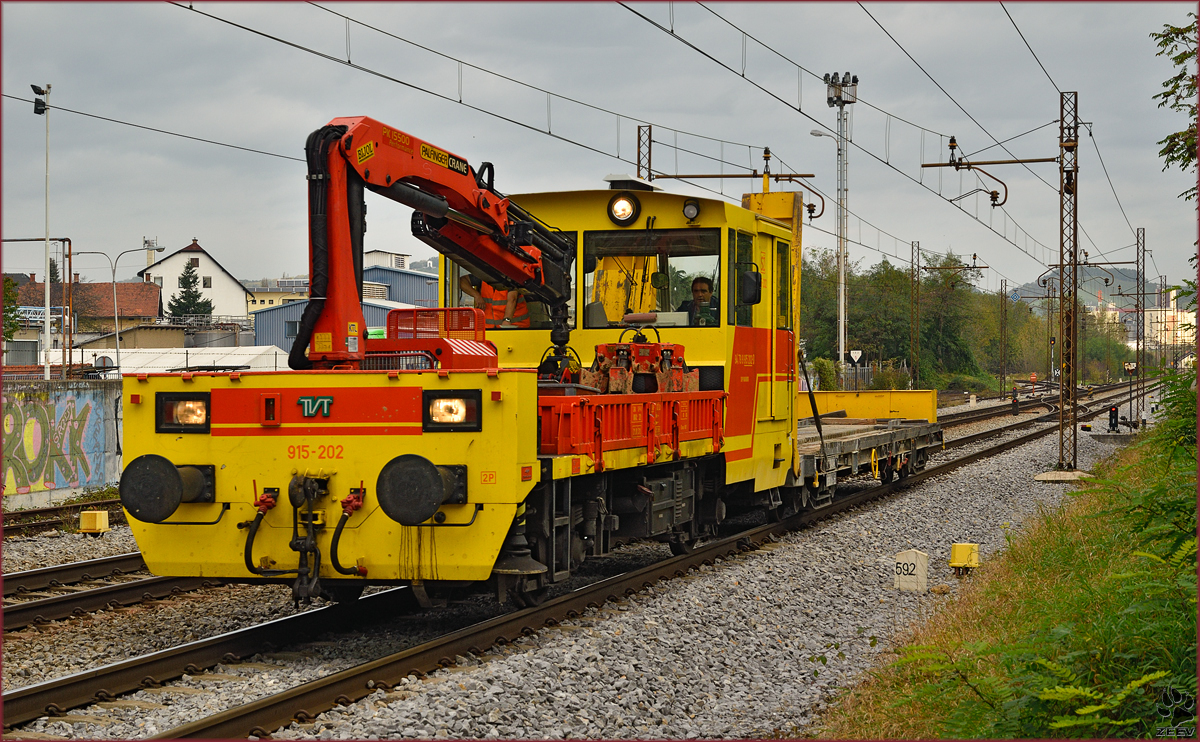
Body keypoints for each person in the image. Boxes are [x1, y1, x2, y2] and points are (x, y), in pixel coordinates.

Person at [458, 275, 529, 328]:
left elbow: (512, 299)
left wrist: (507, 321)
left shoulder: (511, 277)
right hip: (490, 329)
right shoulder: (483, 276)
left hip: (516, 326)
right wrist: (476, 295)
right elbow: (462, 281)